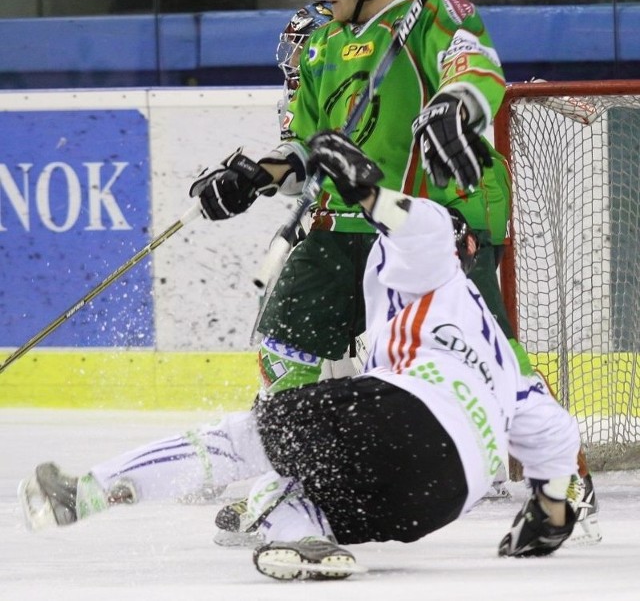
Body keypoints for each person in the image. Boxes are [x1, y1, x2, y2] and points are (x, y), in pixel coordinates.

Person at [189, 0, 598, 538]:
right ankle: (293, 479)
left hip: (427, 224)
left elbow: (476, 71)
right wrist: (255, 176)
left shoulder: (436, 12)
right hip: (345, 223)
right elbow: (303, 144)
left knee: (490, 356)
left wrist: (451, 109)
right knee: (286, 343)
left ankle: (564, 480)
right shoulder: (322, 43)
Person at [19, 132, 583, 581]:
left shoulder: (434, 248)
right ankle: (300, 537)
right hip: (442, 498)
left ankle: (87, 491)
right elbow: (555, 439)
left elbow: (412, 222)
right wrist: (548, 518)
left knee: (249, 440)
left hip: (406, 413)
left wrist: (363, 188)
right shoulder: (507, 362)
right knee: (301, 482)